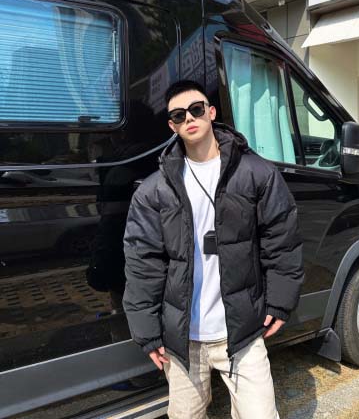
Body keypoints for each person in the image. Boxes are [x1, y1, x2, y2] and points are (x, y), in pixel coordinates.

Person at [122, 79, 304, 418]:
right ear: (172, 126)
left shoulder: (256, 173)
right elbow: (142, 261)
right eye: (179, 115)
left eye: (196, 109)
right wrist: (146, 331)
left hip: (243, 333)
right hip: (182, 339)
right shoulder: (153, 190)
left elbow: (281, 240)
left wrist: (280, 301)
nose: (189, 118)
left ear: (211, 112)